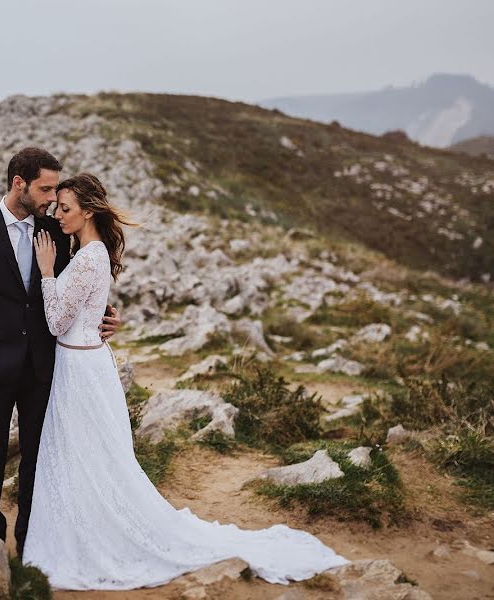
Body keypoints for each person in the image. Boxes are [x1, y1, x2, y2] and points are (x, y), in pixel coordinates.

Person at [23, 173, 349, 590]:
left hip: (80, 371)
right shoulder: (92, 252)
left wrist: (47, 272)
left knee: (89, 456)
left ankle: (95, 534)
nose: (58, 215)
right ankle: (88, 522)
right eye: (56, 208)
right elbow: (86, 310)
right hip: (87, 364)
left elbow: (55, 322)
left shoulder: (86, 258)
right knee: (91, 456)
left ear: (87, 211)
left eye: (65, 208)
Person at [0, 148, 122, 559]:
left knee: (38, 457)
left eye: (55, 190)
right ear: (18, 183)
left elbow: (76, 289)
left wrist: (107, 316)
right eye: (44, 188)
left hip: (46, 365)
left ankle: (30, 541)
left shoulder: (58, 231)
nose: (51, 198)